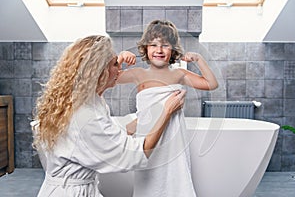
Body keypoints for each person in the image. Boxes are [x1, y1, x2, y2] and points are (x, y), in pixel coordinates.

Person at [30, 35, 186, 197]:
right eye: (114, 64)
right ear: (99, 71)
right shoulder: (85, 115)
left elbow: (111, 133)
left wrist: (150, 117)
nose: (119, 69)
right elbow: (134, 154)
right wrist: (166, 112)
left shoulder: (81, 100)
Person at [117, 20, 218, 197]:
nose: (159, 50)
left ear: (173, 50)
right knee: (149, 183)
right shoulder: (139, 74)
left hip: (173, 143)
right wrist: (119, 59)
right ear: (146, 48)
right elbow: (107, 79)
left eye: (165, 45)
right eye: (154, 45)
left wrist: (199, 60)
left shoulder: (178, 74)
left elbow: (211, 84)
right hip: (149, 142)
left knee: (174, 184)